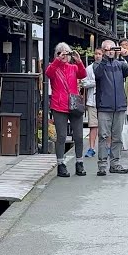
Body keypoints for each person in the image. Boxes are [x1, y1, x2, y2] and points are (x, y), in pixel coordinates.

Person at [92, 40, 128, 176]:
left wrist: (127, 55)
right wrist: (105, 56)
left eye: (113, 49)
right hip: (104, 107)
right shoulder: (98, 64)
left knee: (117, 137)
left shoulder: (119, 65)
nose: (111, 51)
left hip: (119, 106)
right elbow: (98, 74)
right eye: (108, 49)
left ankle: (115, 163)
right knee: (103, 136)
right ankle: (101, 165)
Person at [44, 43, 88, 177]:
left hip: (74, 106)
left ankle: (79, 162)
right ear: (56, 55)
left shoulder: (73, 67)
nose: (64, 55)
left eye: (66, 53)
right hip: (59, 106)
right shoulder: (53, 67)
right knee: (62, 136)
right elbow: (48, 73)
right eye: (60, 53)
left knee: (79, 136)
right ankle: (61, 164)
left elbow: (83, 74)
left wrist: (79, 61)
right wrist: (58, 60)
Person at [83, 51, 99, 158]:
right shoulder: (89, 69)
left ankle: (108, 147)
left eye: (100, 54)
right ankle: (91, 148)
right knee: (93, 126)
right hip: (92, 100)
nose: (98, 56)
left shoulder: (108, 67)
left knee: (106, 127)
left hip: (105, 101)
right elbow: (83, 82)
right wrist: (95, 82)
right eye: (96, 53)